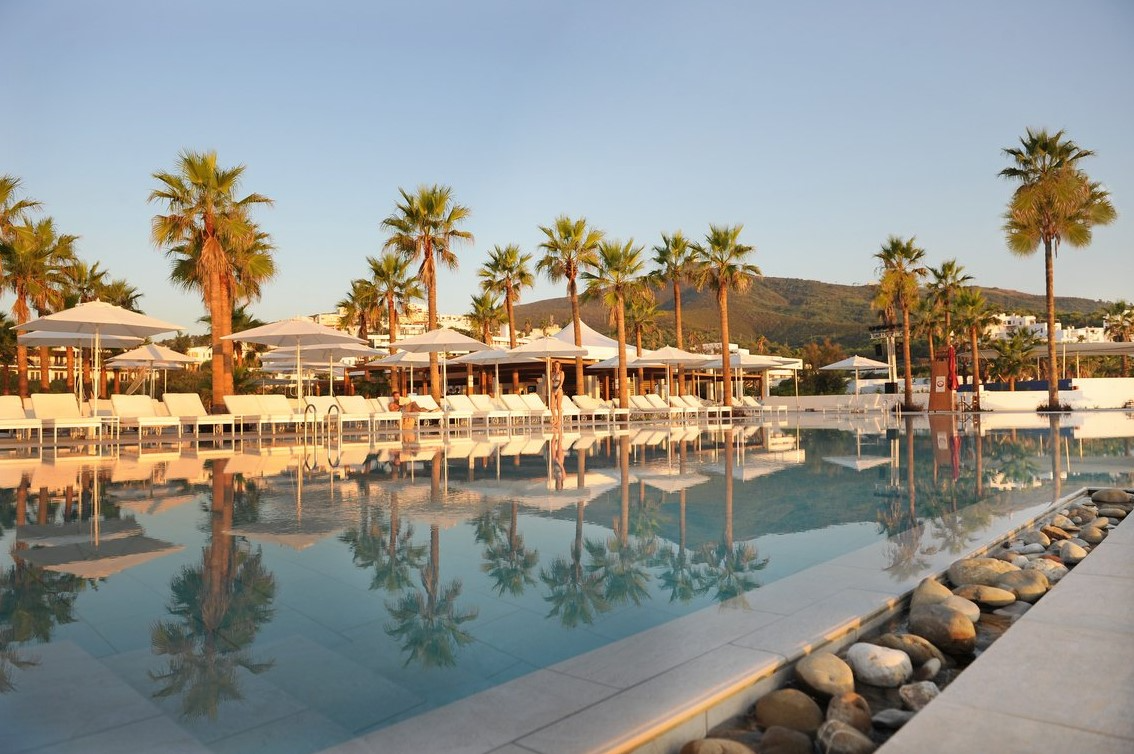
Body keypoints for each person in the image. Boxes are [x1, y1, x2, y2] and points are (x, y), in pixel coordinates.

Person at [549, 361, 564, 427]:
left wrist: (557, 390)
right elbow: (552, 382)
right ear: (554, 366)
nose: (557, 366)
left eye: (558, 365)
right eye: (556, 365)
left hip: (559, 390)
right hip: (553, 390)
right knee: (552, 406)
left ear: (560, 365)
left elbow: (561, 382)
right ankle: (555, 419)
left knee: (558, 406)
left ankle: (559, 421)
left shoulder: (561, 373)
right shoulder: (552, 373)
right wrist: (552, 390)